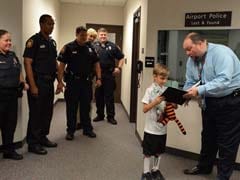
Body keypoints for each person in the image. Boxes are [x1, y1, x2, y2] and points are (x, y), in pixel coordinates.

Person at [182, 32, 240, 180]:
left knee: (227, 141)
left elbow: (223, 81)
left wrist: (199, 90)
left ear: (201, 43)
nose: (187, 54)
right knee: (208, 137)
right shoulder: (192, 59)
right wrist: (185, 94)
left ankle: (223, 176)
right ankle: (204, 167)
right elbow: (190, 81)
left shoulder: (221, 53)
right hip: (210, 101)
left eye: (189, 49)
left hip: (231, 102)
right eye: (185, 50)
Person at [56, 26, 101, 140]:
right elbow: (61, 66)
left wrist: (99, 78)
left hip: (86, 83)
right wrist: (60, 81)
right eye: (82, 36)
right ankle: (70, 131)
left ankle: (87, 129)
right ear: (76, 34)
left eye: (85, 36)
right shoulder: (68, 48)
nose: (84, 38)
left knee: (86, 107)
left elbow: (96, 64)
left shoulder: (90, 48)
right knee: (71, 108)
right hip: (72, 82)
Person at [23, 14, 58, 155]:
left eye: (53, 24)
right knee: (36, 113)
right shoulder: (33, 41)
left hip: (49, 82)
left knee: (47, 112)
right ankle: (33, 143)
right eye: (49, 24)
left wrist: (59, 80)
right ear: (42, 24)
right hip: (38, 82)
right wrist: (32, 85)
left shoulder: (52, 42)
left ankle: (43, 137)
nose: (52, 27)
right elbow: (27, 62)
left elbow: (54, 61)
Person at [0, 29, 28, 160]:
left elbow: (19, 72)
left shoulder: (13, 56)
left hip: (12, 96)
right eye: (6, 40)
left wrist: (23, 83)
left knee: (10, 124)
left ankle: (8, 151)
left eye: (10, 40)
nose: (9, 43)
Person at [141, 64, 171, 180]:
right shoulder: (149, 90)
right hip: (151, 129)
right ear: (155, 77)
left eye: (166, 78)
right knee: (148, 152)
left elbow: (171, 108)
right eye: (162, 78)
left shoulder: (166, 91)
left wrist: (173, 104)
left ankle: (155, 170)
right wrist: (155, 102)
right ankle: (146, 173)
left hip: (162, 129)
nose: (164, 81)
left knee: (159, 151)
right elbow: (145, 109)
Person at [93, 27, 124, 125]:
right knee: (98, 96)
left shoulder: (113, 46)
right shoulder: (94, 46)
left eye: (104, 35)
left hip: (109, 75)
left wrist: (119, 68)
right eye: (101, 35)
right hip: (98, 76)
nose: (103, 36)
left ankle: (111, 117)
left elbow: (122, 57)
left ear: (107, 35)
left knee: (109, 97)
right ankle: (100, 115)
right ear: (98, 35)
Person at [76, 27, 98, 130]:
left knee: (89, 102)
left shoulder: (93, 49)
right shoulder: (76, 46)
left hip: (90, 79)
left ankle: (86, 121)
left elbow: (96, 64)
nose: (91, 38)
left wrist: (98, 78)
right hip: (77, 80)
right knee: (77, 102)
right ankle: (78, 122)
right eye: (90, 36)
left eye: (94, 37)